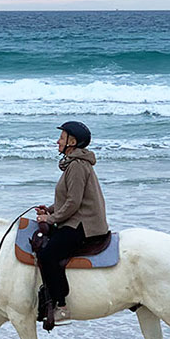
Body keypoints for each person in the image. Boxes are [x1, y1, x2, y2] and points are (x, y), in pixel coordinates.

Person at [35, 120, 109, 325]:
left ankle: (62, 306)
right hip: (78, 219)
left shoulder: (76, 166)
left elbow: (74, 203)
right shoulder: (73, 164)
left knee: (48, 255)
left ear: (72, 141)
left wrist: (50, 219)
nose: (57, 141)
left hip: (83, 225)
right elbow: (67, 199)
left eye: (61, 137)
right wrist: (49, 209)